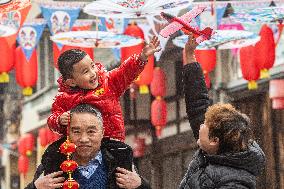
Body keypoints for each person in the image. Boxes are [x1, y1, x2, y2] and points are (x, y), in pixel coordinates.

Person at [179, 34, 266, 189]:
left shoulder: (235, 183)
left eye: (204, 125)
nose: (200, 126)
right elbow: (198, 105)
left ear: (215, 140)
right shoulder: (215, 152)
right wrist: (190, 57)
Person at [48, 36, 161, 141]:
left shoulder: (108, 83)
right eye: (85, 71)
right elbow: (52, 119)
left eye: (92, 66)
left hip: (112, 141)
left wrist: (142, 57)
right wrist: (59, 120)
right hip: (83, 146)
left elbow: (125, 72)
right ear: (71, 82)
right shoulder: (64, 98)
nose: (93, 73)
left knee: (123, 156)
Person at [26, 104, 151, 189]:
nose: (84, 139)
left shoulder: (120, 163)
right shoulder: (51, 166)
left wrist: (140, 185)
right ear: (68, 134)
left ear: (102, 133)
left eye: (91, 131)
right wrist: (35, 187)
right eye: (76, 132)